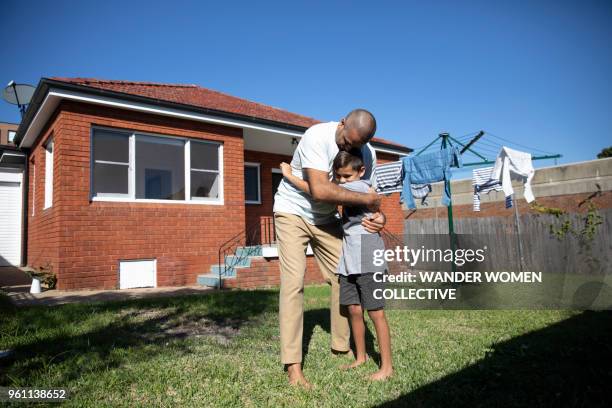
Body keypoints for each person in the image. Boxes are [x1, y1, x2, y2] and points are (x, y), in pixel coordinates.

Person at [273, 109, 386, 387]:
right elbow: (322, 191)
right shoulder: (317, 136)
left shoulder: (366, 154)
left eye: (356, 146)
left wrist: (379, 215)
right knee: (293, 284)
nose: (349, 148)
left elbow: (366, 197)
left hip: (328, 219)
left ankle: (340, 345)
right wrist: (365, 200)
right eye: (348, 142)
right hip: (292, 212)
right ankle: (293, 366)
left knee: (343, 276)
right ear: (342, 123)